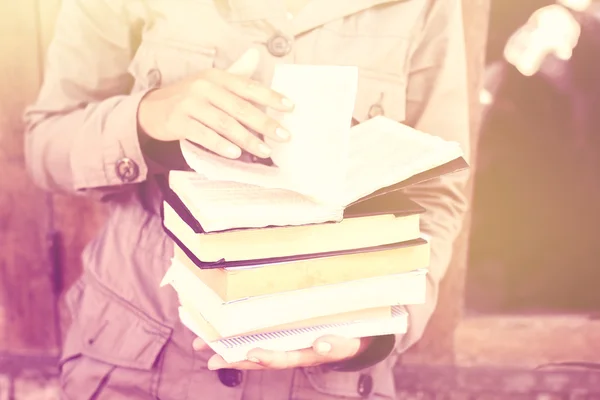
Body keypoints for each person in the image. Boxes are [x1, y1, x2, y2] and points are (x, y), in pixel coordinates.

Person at [24, 0, 470, 398]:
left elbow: (436, 190)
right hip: (135, 355)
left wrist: (379, 323)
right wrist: (146, 117)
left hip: (325, 375)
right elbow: (45, 143)